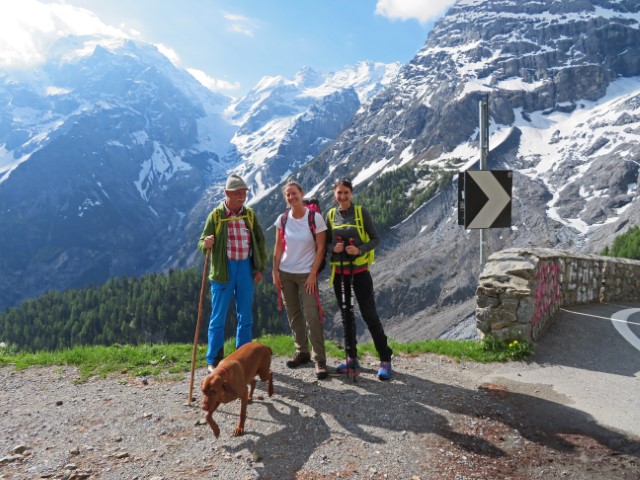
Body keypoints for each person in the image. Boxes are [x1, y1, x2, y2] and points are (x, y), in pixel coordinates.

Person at [198, 174, 267, 373]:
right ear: (227, 194)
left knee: (245, 315)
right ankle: (214, 360)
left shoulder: (249, 215)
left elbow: (260, 243)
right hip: (223, 270)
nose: (242, 196)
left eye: (244, 192)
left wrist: (259, 268)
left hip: (245, 267)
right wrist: (206, 243)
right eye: (238, 192)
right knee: (218, 316)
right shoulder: (216, 216)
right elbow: (202, 242)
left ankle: (243, 358)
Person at [325, 178, 393, 380]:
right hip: (340, 274)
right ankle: (351, 358)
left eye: (346, 192)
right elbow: (325, 244)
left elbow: (375, 239)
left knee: (369, 314)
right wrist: (333, 249)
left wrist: (359, 249)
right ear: (334, 195)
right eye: (339, 193)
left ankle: (385, 358)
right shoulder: (330, 215)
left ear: (351, 193)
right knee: (346, 317)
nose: (343, 196)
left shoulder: (361, 213)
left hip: (360, 272)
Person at [273, 181, 329, 380]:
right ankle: (302, 352)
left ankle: (319, 359)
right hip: (286, 273)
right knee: (294, 314)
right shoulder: (283, 218)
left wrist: (313, 273)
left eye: (294, 193)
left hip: (307, 274)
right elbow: (278, 248)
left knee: (312, 315)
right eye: (287, 195)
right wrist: (275, 272)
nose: (291, 197)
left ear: (302, 194)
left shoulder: (315, 218)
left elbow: (321, 248)